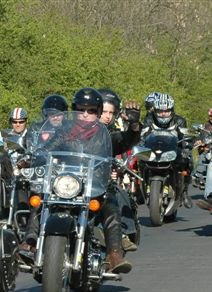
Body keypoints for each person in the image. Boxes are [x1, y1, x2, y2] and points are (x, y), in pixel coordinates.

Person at [20, 88, 131, 274]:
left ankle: (114, 254)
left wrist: (134, 127)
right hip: (67, 182)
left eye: (91, 110)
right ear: (74, 110)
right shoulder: (65, 131)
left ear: (98, 112)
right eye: (81, 110)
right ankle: (30, 242)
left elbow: (125, 141)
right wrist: (32, 158)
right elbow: (47, 148)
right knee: (41, 197)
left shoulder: (105, 134)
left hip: (95, 183)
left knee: (110, 204)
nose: (86, 114)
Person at [98, 88, 142, 252]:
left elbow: (125, 141)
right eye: (104, 112)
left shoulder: (110, 134)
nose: (108, 116)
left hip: (100, 182)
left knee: (118, 194)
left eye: (111, 112)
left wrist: (134, 125)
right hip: (74, 181)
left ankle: (122, 234)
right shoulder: (78, 131)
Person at [141, 93, 193, 208]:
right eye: (160, 111)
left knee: (188, 161)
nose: (163, 114)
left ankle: (184, 192)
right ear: (155, 110)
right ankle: (142, 186)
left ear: (172, 110)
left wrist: (187, 148)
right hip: (154, 151)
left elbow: (186, 137)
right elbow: (142, 136)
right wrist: (140, 146)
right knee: (140, 160)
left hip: (173, 151)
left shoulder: (180, 121)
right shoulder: (149, 120)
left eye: (166, 111)